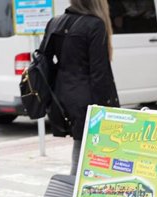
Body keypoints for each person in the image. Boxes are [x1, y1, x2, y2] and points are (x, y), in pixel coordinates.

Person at [43, 0, 119, 175]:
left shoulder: (55, 22)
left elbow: (44, 62)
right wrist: (108, 111)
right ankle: (75, 194)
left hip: (61, 97)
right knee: (91, 155)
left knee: (80, 147)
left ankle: (74, 190)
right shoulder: (95, 25)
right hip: (88, 99)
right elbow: (100, 74)